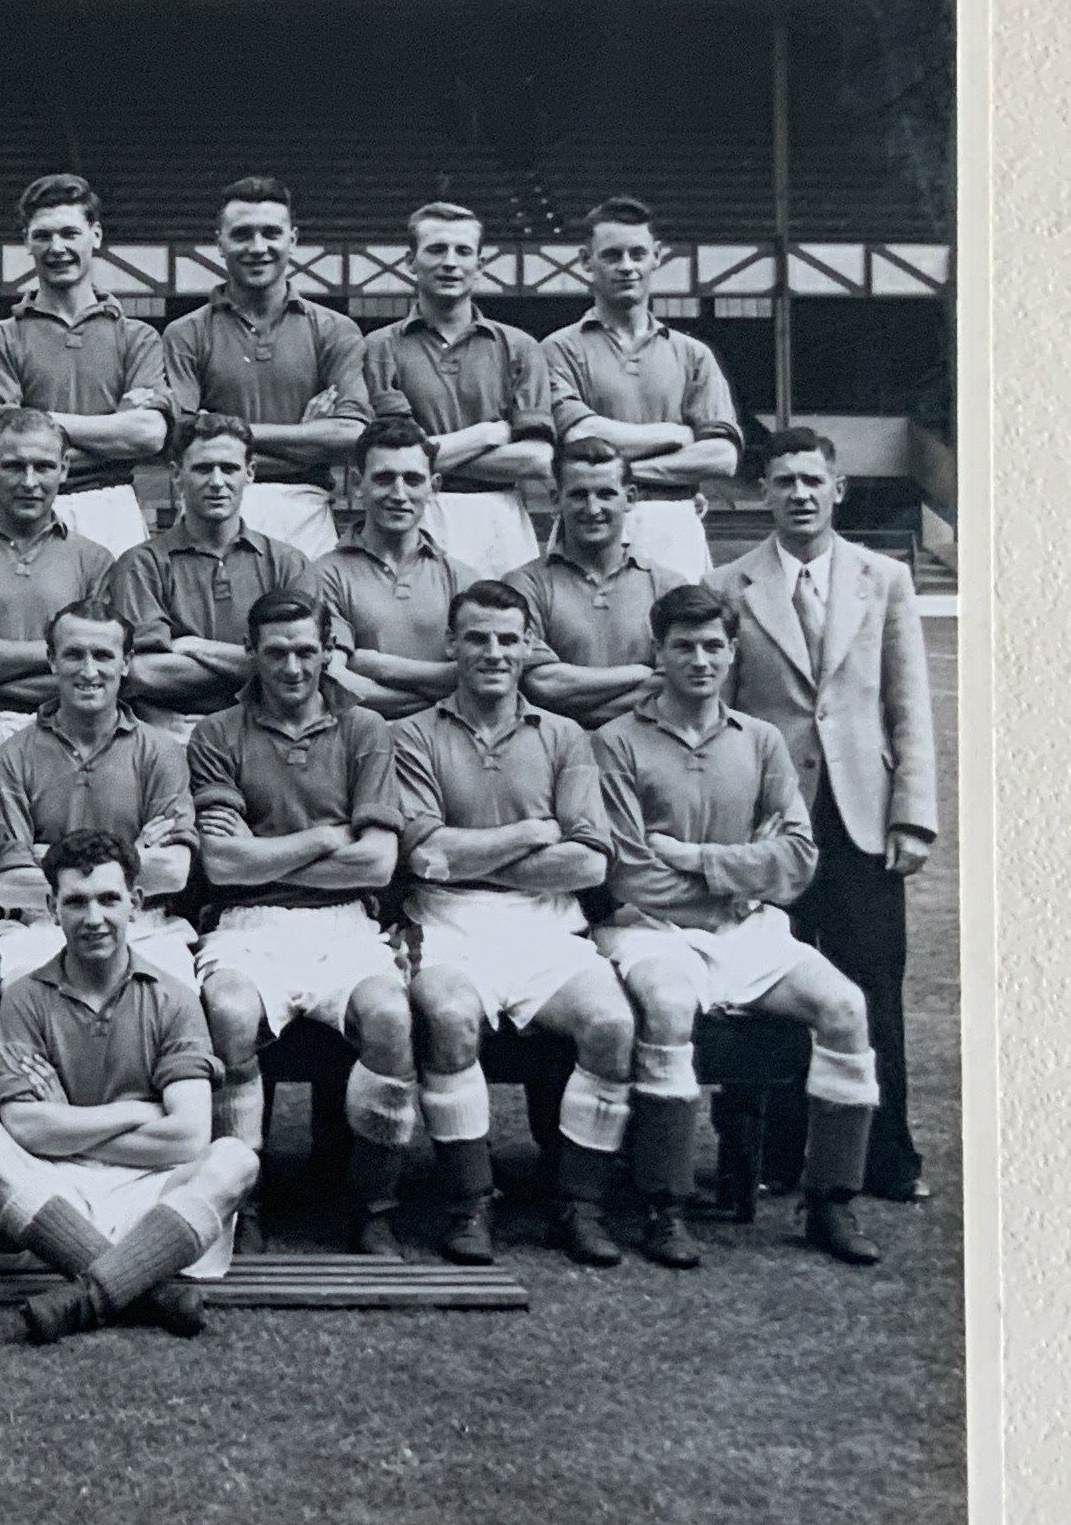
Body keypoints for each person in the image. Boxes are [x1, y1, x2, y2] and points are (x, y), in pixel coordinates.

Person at [591, 583, 888, 1267]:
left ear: (731, 655)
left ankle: (831, 1202)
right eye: (683, 647)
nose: (699, 660)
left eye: (713, 647)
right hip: (649, 931)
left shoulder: (761, 742)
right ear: (657, 654)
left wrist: (700, 859)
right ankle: (665, 1207)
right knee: (667, 1008)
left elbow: (797, 863)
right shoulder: (614, 743)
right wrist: (738, 877)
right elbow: (630, 874)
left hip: (747, 931)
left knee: (844, 1007)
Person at [383, 580, 646, 1266]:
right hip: (446, 925)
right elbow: (425, 858)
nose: (493, 653)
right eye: (477, 638)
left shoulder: (564, 734)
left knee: (613, 1025)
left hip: (546, 926)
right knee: (448, 1017)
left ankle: (579, 1204)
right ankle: (471, 1203)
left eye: (507, 639)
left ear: (529, 646)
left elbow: (589, 866)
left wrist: (472, 853)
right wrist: (532, 831)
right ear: (451, 644)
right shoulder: (411, 733)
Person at [714, 426, 938, 1203]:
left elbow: (909, 706)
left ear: (838, 490)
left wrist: (913, 817)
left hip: (861, 818)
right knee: (767, 986)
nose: (800, 494)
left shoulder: (885, 580)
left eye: (813, 480)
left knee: (874, 987)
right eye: (784, 482)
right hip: (770, 825)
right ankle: (777, 1158)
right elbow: (723, 723)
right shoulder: (729, 586)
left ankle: (887, 1159)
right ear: (763, 494)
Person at [0, 830, 252, 1343]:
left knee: (236, 1160)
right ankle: (143, 1286)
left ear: (135, 903)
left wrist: (64, 1123)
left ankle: (84, 1297)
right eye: (76, 902)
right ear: (52, 907)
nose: (94, 918)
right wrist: (136, 1111)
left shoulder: (174, 998)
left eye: (109, 899)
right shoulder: (26, 997)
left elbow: (187, 1138)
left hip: (150, 1198)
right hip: (49, 1191)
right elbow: (23, 1128)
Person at [186, 591, 416, 1232]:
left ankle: (375, 1204)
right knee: (228, 1012)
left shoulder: (363, 728)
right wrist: (322, 838)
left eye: (306, 652)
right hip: (246, 923)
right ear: (252, 655)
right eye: (277, 652)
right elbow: (224, 866)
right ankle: (240, 1200)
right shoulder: (216, 733)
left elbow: (375, 865)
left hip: (346, 920)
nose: (292, 668)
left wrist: (265, 852)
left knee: (391, 1017)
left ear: (327, 654)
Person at [325, 200, 555, 583]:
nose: (450, 262)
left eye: (463, 251)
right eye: (436, 249)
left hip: (499, 515)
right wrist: (485, 435)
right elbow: (389, 458)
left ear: (480, 265)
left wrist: (428, 454)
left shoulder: (519, 347)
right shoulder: (379, 347)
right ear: (410, 261)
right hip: (416, 509)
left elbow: (535, 459)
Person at [0, 603, 196, 989]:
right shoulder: (13, 755)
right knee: (24, 993)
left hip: (141, 922)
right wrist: (131, 855)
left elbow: (174, 874)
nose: (89, 671)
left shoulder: (160, 751)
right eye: (74, 654)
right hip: (42, 925)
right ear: (52, 660)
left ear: (126, 662)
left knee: (176, 996)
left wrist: (45, 854)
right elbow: (9, 886)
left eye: (103, 655)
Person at [159, 179, 367, 555]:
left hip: (305, 507)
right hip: (214, 508)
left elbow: (352, 436)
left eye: (271, 233)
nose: (258, 247)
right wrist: (306, 438)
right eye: (242, 234)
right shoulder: (185, 333)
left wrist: (232, 432)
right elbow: (185, 441)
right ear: (220, 242)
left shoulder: (336, 330)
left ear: (293, 239)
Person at [0, 173, 175, 553]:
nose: (57, 247)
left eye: (69, 233)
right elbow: (8, 444)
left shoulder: (137, 336)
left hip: (114, 504)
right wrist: (116, 428)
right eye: (43, 236)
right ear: (26, 242)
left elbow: (148, 435)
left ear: (95, 235)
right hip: (30, 507)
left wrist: (36, 419)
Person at [542, 196, 742, 580]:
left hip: (673, 522)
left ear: (657, 257)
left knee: (680, 634)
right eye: (612, 256)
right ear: (586, 261)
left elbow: (721, 457)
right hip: (592, 521)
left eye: (637, 254)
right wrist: (675, 435)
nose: (627, 266)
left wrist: (617, 474)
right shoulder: (558, 349)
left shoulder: (692, 354)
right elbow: (579, 434)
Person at [0, 406, 112, 745]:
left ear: (64, 469)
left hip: (67, 732)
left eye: (43, 467)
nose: (29, 482)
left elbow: (100, 666)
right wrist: (62, 653)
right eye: (14, 466)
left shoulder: (94, 559)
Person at [102, 414, 309, 716]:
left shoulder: (287, 563)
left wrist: (198, 647)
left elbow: (307, 666)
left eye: (229, 469)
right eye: (202, 469)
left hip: (267, 727)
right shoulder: (142, 564)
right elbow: (144, 672)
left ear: (249, 473)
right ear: (176, 474)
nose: (216, 482)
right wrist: (261, 667)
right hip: (175, 728)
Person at [504, 439, 686, 723]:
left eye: (605, 494)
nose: (592, 508)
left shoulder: (668, 587)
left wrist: (580, 718)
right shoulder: (524, 585)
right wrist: (640, 673)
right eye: (578, 495)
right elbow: (541, 684)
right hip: (555, 754)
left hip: (648, 750)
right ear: (555, 499)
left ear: (630, 497)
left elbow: (674, 684)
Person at [304, 420, 466, 717]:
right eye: (384, 478)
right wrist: (440, 699)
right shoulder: (324, 576)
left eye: (413, 480)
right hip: (358, 743)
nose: (399, 494)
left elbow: (481, 672)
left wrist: (380, 666)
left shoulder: (461, 578)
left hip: (443, 745)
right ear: (356, 483)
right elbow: (332, 680)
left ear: (434, 487)